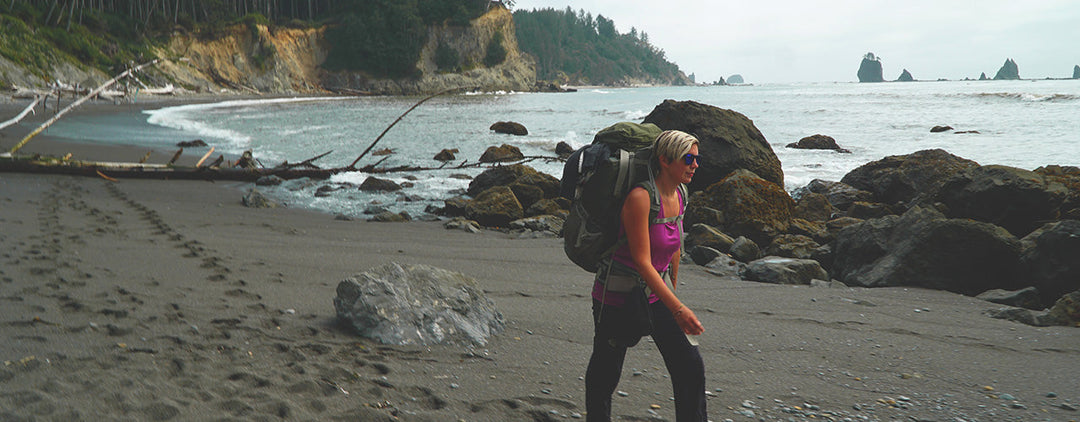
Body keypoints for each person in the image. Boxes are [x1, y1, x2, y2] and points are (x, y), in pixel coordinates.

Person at [585, 130, 707, 421]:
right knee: (606, 373)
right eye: (688, 158)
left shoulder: (680, 193)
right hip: (617, 296)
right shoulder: (640, 197)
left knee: (690, 366)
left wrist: (672, 289)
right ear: (664, 160)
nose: (695, 165)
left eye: (696, 159)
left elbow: (673, 241)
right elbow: (642, 261)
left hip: (655, 293)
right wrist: (678, 308)